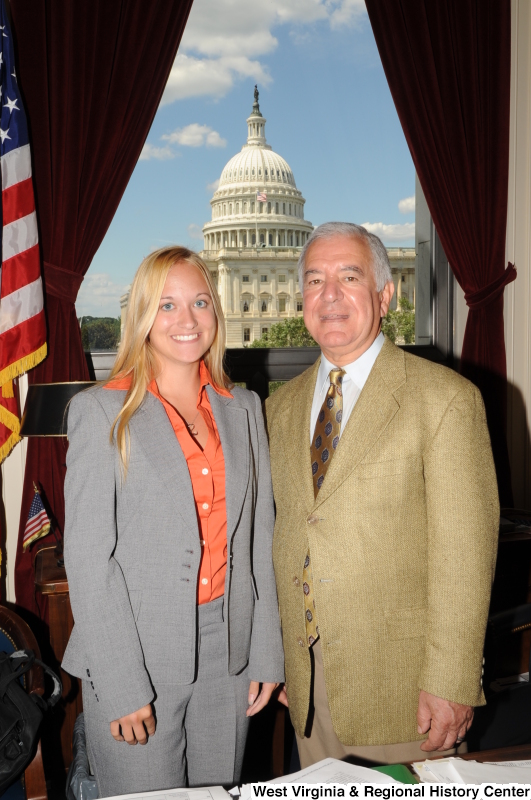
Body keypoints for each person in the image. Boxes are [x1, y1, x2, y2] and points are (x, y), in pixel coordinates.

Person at [264, 222, 499, 767]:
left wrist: (453, 680)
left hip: (406, 690)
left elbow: (465, 555)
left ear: (384, 294)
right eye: (315, 280)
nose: (330, 295)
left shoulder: (445, 399)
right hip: (310, 685)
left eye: (350, 276)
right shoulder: (280, 407)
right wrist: (281, 657)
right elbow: (285, 535)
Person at [63, 246, 284, 797]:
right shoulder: (100, 412)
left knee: (217, 790)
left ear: (217, 312)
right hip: (136, 648)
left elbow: (259, 540)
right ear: (140, 317)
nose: (186, 320)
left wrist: (266, 651)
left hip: (228, 649)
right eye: (166, 305)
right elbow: (89, 561)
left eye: (200, 302)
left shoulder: (245, 407)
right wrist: (119, 683)